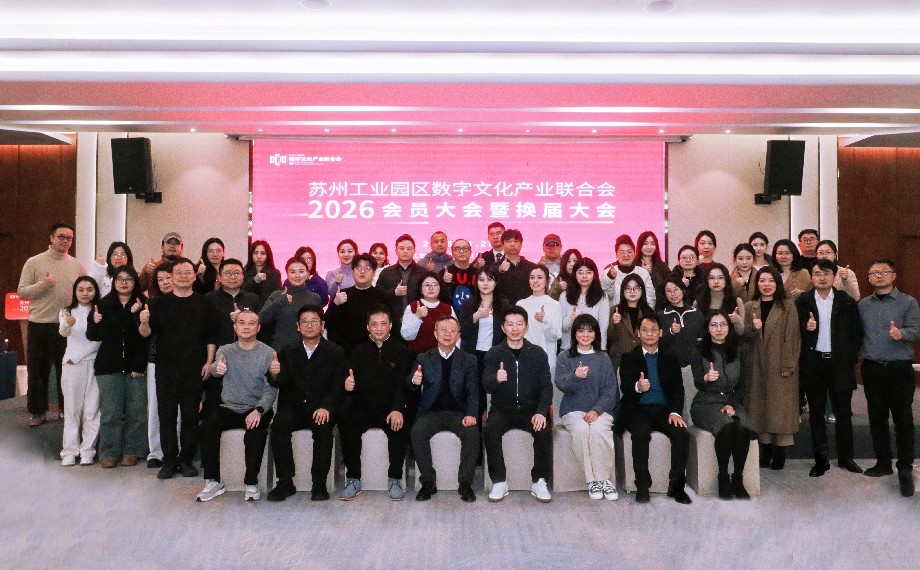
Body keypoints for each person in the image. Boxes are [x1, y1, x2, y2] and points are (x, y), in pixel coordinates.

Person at [139, 257, 221, 479]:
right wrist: (144, 321)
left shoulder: (204, 303)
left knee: (190, 416)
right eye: (179, 273)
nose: (183, 276)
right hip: (165, 368)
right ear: (172, 277)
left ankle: (186, 460)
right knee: (166, 416)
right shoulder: (158, 304)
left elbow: (211, 337)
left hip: (194, 368)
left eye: (187, 273)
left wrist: (209, 362)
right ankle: (169, 461)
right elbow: (146, 334)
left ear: (194, 276)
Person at [197, 310, 279, 502]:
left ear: (258, 328)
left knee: (255, 434)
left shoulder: (268, 353)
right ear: (235, 327)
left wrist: (259, 410)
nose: (246, 327)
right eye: (242, 323)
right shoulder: (225, 350)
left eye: (251, 323)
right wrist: (217, 368)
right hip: (229, 407)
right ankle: (213, 481)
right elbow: (216, 370)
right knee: (207, 427)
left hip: (256, 408)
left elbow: (271, 388)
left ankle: (251, 483)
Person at [267, 305, 346, 502]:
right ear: (298, 326)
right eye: (305, 322)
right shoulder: (288, 350)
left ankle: (319, 484)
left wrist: (326, 406)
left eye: (314, 321)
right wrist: (274, 374)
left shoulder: (335, 351)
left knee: (323, 429)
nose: (309, 326)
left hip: (320, 407)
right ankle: (285, 482)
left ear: (322, 325)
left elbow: (338, 385)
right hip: (293, 407)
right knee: (278, 426)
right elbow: (280, 381)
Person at [796, 259, 864, 477]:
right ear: (812, 277)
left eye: (826, 273)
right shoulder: (803, 301)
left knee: (843, 413)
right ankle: (821, 460)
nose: (822, 277)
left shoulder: (846, 301)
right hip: (814, 363)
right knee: (816, 415)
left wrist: (849, 358)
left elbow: (856, 333)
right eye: (817, 273)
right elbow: (793, 331)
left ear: (834, 276)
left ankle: (847, 458)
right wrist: (805, 327)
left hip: (839, 364)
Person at [858, 258, 920, 497]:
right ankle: (883, 462)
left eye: (884, 272)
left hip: (899, 369)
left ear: (893, 276)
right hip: (872, 369)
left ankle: (905, 467)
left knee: (903, 419)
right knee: (877, 418)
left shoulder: (908, 302)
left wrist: (901, 333)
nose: (879, 275)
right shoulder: (863, 305)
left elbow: (916, 329)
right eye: (874, 273)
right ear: (869, 278)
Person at [337, 306, 413, 501]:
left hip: (390, 408)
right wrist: (347, 385)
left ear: (390, 326)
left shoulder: (402, 352)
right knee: (347, 420)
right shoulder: (357, 352)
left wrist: (397, 409)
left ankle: (394, 479)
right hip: (363, 407)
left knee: (399, 425)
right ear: (368, 327)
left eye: (383, 324)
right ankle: (353, 479)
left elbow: (403, 386)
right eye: (374, 324)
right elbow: (347, 379)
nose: (379, 328)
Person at [617, 314, 691, 504]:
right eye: (644, 330)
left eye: (653, 330)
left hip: (665, 410)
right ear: (638, 333)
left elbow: (678, 389)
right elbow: (625, 387)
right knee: (640, 434)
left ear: (660, 333)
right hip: (638, 409)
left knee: (682, 434)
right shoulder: (628, 357)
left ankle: (676, 487)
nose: (649, 334)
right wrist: (637, 386)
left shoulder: (670, 358)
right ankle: (642, 485)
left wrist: (675, 412)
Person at [482, 307, 553, 503]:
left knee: (543, 431)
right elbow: (486, 384)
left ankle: (539, 481)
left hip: (531, 409)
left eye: (519, 324)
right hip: (502, 409)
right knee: (490, 430)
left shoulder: (537, 353)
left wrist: (541, 412)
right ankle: (499, 481)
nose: (515, 329)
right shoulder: (494, 353)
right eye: (510, 324)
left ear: (526, 327)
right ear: (503, 328)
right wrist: (496, 379)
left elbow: (546, 387)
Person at [18, 221, 86, 426]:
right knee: (37, 371)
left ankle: (66, 410)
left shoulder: (76, 265)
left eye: (69, 238)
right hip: (39, 324)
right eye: (61, 237)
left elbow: (86, 290)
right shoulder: (34, 262)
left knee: (66, 371)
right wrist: (44, 284)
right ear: (51, 238)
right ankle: (37, 412)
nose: (65, 241)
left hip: (66, 326)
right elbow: (22, 292)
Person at [409, 315, 481, 502]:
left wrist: (471, 414)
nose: (447, 334)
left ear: (458, 335)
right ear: (435, 334)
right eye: (443, 330)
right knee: (417, 431)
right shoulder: (424, 358)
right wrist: (414, 381)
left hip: (459, 413)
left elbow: (473, 390)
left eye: (452, 330)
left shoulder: (469, 359)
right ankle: (428, 482)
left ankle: (465, 483)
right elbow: (410, 383)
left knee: (472, 433)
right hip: (431, 413)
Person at [86, 266, 150, 469]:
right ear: (113, 282)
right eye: (120, 279)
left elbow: (146, 338)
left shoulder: (144, 304)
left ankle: (132, 450)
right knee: (110, 412)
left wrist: (139, 364)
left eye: (129, 279)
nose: (124, 282)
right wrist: (94, 322)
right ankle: (109, 452)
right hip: (108, 366)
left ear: (135, 282)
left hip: (136, 366)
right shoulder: (103, 305)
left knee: (136, 412)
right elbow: (93, 335)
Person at [690, 310, 757, 499]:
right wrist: (706, 378)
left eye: (723, 324)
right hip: (705, 403)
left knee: (741, 428)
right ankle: (723, 477)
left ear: (729, 327)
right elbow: (698, 383)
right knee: (727, 427)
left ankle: (738, 479)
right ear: (708, 329)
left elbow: (743, 384)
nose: (718, 329)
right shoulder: (699, 351)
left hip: (731, 401)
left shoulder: (739, 350)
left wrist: (732, 405)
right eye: (714, 325)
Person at [742, 265, 801, 470]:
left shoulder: (787, 306)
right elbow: (743, 337)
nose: (766, 285)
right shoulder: (750, 307)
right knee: (760, 409)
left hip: (780, 364)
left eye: (771, 280)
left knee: (780, 409)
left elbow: (792, 337)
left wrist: (788, 363)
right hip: (756, 365)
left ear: (777, 283)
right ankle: (765, 450)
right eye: (762, 281)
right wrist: (752, 328)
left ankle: (780, 453)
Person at [554, 314, 619, 501]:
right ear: (574, 333)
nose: (585, 335)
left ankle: (604, 480)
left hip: (600, 410)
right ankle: (593, 481)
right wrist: (575, 375)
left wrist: (596, 410)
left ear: (596, 334)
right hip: (573, 410)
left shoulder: (603, 357)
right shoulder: (565, 357)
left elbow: (610, 389)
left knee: (599, 431)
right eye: (581, 330)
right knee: (582, 430)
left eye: (590, 331)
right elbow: (561, 384)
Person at [203, 258, 262, 417]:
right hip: (218, 359)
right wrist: (209, 361)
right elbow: (206, 332)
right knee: (214, 408)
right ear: (219, 277)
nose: (232, 277)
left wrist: (242, 316)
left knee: (246, 405)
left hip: (248, 360)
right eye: (227, 273)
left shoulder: (253, 299)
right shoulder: (209, 299)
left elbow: (260, 328)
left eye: (236, 273)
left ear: (243, 277)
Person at [58, 276, 101, 466]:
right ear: (75, 291)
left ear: (95, 291)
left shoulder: (99, 311)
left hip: (94, 363)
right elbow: (63, 332)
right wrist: (68, 323)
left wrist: (78, 356)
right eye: (81, 290)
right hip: (71, 366)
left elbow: (99, 340)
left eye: (89, 289)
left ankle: (87, 451)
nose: (85, 293)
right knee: (72, 409)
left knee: (92, 410)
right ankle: (69, 451)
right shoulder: (66, 311)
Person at [325, 254, 388, 355]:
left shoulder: (382, 297)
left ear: (373, 272)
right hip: (346, 354)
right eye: (358, 267)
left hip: (375, 353)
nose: (362, 271)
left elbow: (390, 327)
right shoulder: (342, 295)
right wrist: (335, 305)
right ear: (352, 271)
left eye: (367, 268)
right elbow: (327, 323)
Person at [143, 263, 173, 469]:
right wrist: (144, 321)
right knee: (155, 407)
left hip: (182, 361)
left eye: (168, 277)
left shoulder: (190, 300)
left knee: (178, 410)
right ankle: (155, 452)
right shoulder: (151, 303)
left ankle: (176, 451)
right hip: (157, 359)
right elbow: (145, 334)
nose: (165, 282)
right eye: (160, 280)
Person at [259, 257, 323, 351]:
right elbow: (260, 319)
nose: (297, 275)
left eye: (301, 271)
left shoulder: (315, 298)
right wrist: (279, 302)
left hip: (308, 350)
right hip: (281, 350)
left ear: (307, 273)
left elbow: (320, 326)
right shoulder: (277, 295)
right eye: (292, 272)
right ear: (287, 274)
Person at [458, 266, 510, 377]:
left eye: (490, 280)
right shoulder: (468, 304)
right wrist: (476, 316)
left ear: (496, 283)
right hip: (472, 353)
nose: (485, 283)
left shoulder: (504, 305)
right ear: (476, 283)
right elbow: (461, 332)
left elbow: (507, 332)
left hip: (495, 354)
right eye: (481, 280)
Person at [376, 234, 426, 336]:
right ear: (396, 251)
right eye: (402, 248)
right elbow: (377, 296)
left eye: (409, 248)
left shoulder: (423, 272)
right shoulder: (386, 272)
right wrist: (393, 292)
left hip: (418, 320)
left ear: (414, 251)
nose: (405, 251)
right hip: (392, 323)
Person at [516, 265, 563, 374]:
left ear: (547, 281)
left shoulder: (555, 305)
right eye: (532, 278)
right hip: (524, 358)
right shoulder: (521, 304)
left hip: (547, 359)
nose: (535, 281)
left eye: (540, 277)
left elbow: (556, 336)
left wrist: (544, 321)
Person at [607, 274, 656, 373]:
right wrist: (613, 323)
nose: (632, 291)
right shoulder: (614, 310)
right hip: (619, 361)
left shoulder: (649, 312)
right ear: (622, 291)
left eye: (636, 288)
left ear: (642, 290)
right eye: (628, 288)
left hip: (643, 360)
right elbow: (608, 337)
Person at [559, 258, 609, 351]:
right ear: (575, 275)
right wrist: (571, 318)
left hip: (593, 349)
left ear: (594, 274)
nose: (584, 276)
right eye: (580, 272)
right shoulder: (564, 296)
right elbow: (561, 328)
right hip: (568, 348)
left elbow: (603, 327)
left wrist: (601, 350)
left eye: (588, 272)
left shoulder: (602, 296)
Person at [401, 272, 456, 355]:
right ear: (420, 289)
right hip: (416, 356)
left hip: (442, 356)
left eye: (435, 285)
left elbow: (455, 335)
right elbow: (406, 336)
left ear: (440, 288)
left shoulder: (448, 309)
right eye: (427, 285)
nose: (431, 288)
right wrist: (417, 317)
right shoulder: (412, 307)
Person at [658, 278, 705, 368]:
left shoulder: (696, 313)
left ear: (683, 290)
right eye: (668, 291)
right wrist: (671, 331)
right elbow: (657, 341)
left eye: (676, 289)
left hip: (694, 364)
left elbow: (702, 338)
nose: (673, 294)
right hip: (670, 365)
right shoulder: (661, 315)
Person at [600, 234, 656, 307]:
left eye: (629, 252)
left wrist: (646, 313)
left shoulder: (643, 273)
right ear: (616, 254)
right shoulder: (608, 272)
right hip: (615, 313)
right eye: (622, 252)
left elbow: (650, 298)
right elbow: (605, 297)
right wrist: (610, 278)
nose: (626, 255)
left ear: (634, 253)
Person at [695, 263, 744, 333]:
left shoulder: (737, 301)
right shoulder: (698, 302)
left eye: (720, 278)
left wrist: (737, 320)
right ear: (707, 280)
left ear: (726, 279)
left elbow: (741, 332)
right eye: (712, 278)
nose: (716, 282)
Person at [495, 228, 537, 305]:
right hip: (503, 309)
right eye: (508, 241)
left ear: (521, 244)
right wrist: (500, 271)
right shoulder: (495, 267)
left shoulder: (532, 267)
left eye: (516, 241)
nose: (512, 244)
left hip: (527, 308)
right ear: (502, 245)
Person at [243, 240, 283, 305]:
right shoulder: (245, 272)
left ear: (268, 255)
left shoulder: (275, 273)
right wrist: (255, 280)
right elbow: (243, 291)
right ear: (251, 255)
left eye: (263, 253)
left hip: (268, 308)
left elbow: (277, 295)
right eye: (255, 253)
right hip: (249, 308)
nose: (259, 257)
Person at [441, 238, 477, 310]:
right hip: (450, 313)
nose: (461, 252)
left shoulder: (478, 272)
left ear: (470, 252)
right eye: (457, 249)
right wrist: (444, 282)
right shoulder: (445, 272)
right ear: (452, 253)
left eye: (465, 248)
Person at [637, 230, 670, 296]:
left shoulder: (662, 266)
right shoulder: (634, 265)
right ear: (640, 245)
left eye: (652, 244)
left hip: (659, 301)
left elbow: (670, 283)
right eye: (645, 243)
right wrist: (642, 273)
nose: (649, 247)